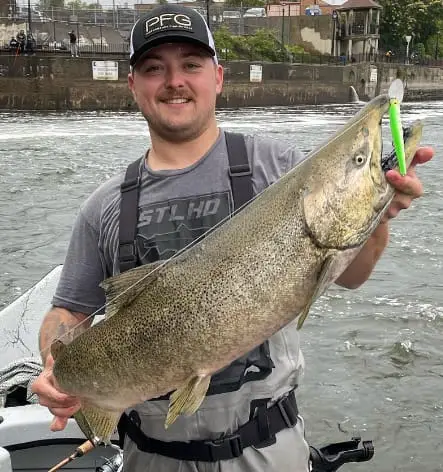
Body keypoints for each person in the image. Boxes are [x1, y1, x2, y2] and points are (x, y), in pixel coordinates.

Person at [31, 4, 434, 472]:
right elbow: (68, 312)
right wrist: (54, 372)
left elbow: (351, 276)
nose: (174, 80)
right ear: (134, 85)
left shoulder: (279, 168)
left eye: (191, 65)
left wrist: (381, 210)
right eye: (154, 68)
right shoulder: (102, 208)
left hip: (269, 448)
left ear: (218, 77)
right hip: (152, 456)